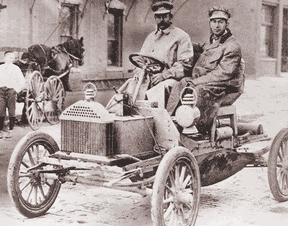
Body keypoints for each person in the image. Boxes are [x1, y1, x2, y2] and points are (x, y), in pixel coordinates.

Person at [166, 6, 245, 134]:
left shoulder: (232, 45)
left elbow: (223, 74)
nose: (217, 25)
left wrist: (197, 81)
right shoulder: (212, 40)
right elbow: (200, 48)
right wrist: (181, 42)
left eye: (221, 22)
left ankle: (198, 130)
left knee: (197, 91)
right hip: (208, 83)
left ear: (227, 24)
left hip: (225, 88)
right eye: (214, 21)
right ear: (210, 23)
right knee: (181, 83)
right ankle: (170, 122)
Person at [113, 1, 193, 109]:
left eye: (164, 16)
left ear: (170, 16)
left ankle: (157, 121)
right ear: (155, 18)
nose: (161, 19)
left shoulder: (181, 36)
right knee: (129, 86)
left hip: (169, 79)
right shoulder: (151, 37)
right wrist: (138, 72)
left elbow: (184, 65)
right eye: (158, 17)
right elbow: (140, 60)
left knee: (157, 91)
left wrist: (163, 76)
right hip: (148, 77)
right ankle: (126, 117)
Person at [0, 51, 25, 138]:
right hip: (1, 92)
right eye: (9, 57)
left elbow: (22, 81)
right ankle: (0, 131)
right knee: (1, 111)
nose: (11, 59)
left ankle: (11, 130)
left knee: (11, 111)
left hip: (11, 91)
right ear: (5, 58)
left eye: (13, 58)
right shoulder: (0, 68)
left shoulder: (16, 68)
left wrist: (16, 90)